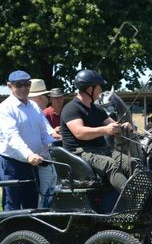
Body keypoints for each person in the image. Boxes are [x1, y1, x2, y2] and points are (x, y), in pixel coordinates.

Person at [61, 69, 142, 193]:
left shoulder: (97, 109)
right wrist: (105, 130)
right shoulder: (71, 108)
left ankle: (143, 192)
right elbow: (80, 133)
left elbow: (112, 125)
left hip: (101, 150)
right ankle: (132, 197)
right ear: (90, 89)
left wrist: (122, 127)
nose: (100, 91)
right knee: (112, 165)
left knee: (134, 163)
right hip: (79, 152)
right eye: (99, 88)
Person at [0, 70, 55, 210]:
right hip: (13, 165)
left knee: (32, 205)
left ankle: (27, 232)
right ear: (9, 86)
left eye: (26, 84)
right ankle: (10, 232)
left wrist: (54, 146)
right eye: (18, 85)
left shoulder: (34, 106)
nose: (23, 88)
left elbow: (44, 132)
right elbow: (12, 136)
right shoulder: (5, 108)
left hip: (34, 163)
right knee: (12, 205)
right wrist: (29, 154)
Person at [28, 79, 60, 208]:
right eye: (45, 96)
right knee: (44, 195)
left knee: (49, 191)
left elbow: (51, 135)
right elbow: (51, 135)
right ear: (40, 98)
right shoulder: (37, 113)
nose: (47, 99)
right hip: (39, 161)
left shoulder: (38, 113)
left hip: (46, 160)